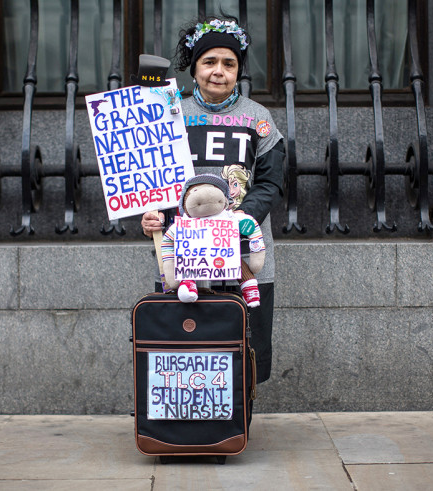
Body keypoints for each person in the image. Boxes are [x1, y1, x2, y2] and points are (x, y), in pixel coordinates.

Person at [141, 15, 284, 384]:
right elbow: (149, 180)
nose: (218, 71)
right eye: (209, 62)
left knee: (244, 346)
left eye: (229, 63)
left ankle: (238, 419)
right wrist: (150, 215)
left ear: (238, 70)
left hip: (244, 255)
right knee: (187, 343)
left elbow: (270, 183)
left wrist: (241, 219)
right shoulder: (169, 115)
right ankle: (190, 423)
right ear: (194, 67)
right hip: (183, 257)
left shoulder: (259, 118)